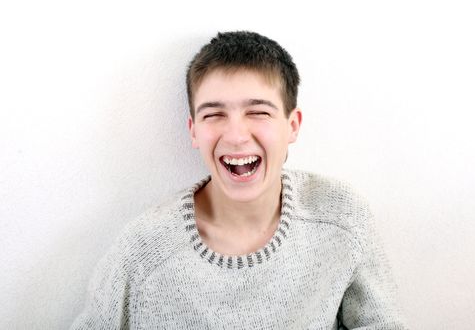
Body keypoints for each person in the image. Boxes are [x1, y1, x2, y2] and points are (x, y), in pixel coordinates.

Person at [72, 31, 407, 329]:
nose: (235, 136)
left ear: (292, 125)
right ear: (193, 131)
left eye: (258, 112)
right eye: (214, 114)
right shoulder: (142, 254)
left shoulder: (342, 218)